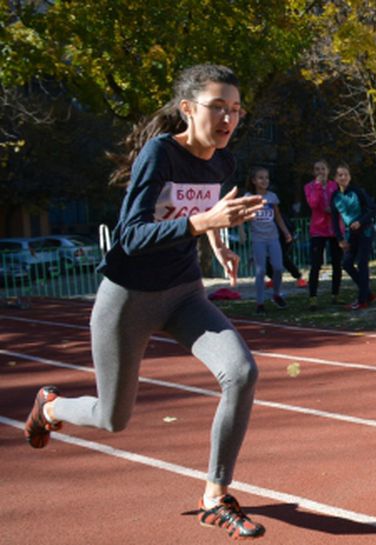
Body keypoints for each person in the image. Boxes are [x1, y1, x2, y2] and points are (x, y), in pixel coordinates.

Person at [22, 64, 267, 538]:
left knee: (241, 373)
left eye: (236, 110)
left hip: (183, 293)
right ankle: (50, 408)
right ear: (188, 109)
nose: (228, 119)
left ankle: (215, 494)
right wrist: (203, 224)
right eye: (218, 107)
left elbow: (200, 213)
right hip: (128, 299)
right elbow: (130, 236)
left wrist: (218, 243)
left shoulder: (224, 161)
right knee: (113, 419)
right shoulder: (159, 155)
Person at [244, 166, 291, 314]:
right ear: (253, 180)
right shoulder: (248, 197)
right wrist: (241, 232)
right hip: (258, 238)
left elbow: (277, 216)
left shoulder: (272, 197)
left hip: (273, 237)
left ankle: (276, 294)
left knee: (278, 267)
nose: (264, 180)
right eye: (260, 178)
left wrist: (286, 232)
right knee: (261, 270)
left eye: (266, 177)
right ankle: (260, 303)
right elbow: (241, 215)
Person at [330, 163, 376, 310]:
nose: (343, 177)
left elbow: (373, 210)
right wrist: (339, 239)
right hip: (351, 235)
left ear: (350, 177)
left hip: (365, 231)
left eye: (346, 174)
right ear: (335, 178)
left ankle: (362, 300)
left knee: (362, 264)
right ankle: (368, 293)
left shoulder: (358, 192)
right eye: (340, 175)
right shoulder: (335, 197)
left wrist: (360, 221)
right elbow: (334, 220)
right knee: (346, 263)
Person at [305, 160, 341, 309]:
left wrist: (333, 209)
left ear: (328, 170)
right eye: (317, 169)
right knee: (316, 264)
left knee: (337, 263)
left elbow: (340, 202)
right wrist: (318, 187)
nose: (320, 172)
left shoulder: (335, 185)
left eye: (323, 169)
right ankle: (313, 297)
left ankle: (335, 295)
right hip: (318, 229)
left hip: (334, 229)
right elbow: (313, 204)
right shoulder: (309, 187)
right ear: (314, 172)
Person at [264, 205, 306, 289]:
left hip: (282, 238)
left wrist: (288, 235)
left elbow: (288, 228)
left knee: (283, 258)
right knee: (265, 259)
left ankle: (299, 277)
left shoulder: (279, 217)